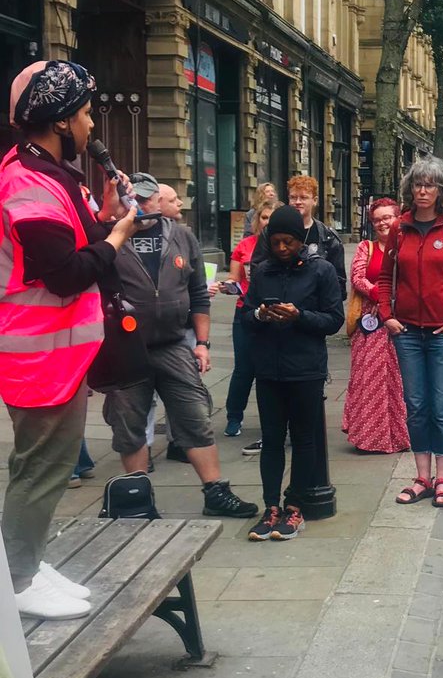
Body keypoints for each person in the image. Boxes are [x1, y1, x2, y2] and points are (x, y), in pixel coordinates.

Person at [1, 60, 137, 619]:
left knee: (45, 466)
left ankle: (26, 561)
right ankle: (18, 580)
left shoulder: (50, 174)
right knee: (42, 468)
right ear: (60, 121)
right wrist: (120, 235)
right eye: (84, 113)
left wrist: (105, 215)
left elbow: (74, 243)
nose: (91, 125)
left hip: (59, 352)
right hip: (40, 356)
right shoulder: (27, 184)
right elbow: (65, 274)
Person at [103, 171, 258, 518]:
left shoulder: (181, 236)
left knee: (195, 415)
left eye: (146, 198)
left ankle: (216, 493)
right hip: (126, 349)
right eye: (133, 198)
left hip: (173, 344)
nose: (140, 204)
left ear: (158, 201)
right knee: (129, 424)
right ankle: (138, 498)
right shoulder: (110, 237)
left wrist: (201, 342)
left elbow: (198, 293)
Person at [241, 206, 345, 540]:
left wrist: (300, 316)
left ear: (301, 241)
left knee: (303, 439)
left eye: (289, 242)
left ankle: (295, 507)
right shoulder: (262, 272)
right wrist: (259, 315)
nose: (282, 248)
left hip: (305, 370)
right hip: (268, 370)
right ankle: (271, 506)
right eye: (276, 242)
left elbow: (334, 319)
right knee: (272, 440)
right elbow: (245, 315)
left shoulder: (321, 271)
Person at [381, 159, 443, 509]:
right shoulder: (400, 228)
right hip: (407, 332)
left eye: (430, 185)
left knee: (442, 407)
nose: (423, 191)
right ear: (410, 188)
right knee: (416, 405)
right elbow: (384, 277)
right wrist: (387, 315)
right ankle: (422, 477)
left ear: (440, 190)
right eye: (418, 184)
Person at [342, 198, 411, 454]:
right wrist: (380, 295)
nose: (382, 223)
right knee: (369, 379)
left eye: (387, 218)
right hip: (370, 321)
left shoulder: (407, 246)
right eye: (377, 220)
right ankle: (369, 437)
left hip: (402, 319)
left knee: (398, 379)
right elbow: (357, 277)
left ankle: (399, 436)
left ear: (398, 219)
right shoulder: (366, 247)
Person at [218, 199, 279, 444]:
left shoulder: (283, 246)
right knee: (244, 368)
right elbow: (234, 279)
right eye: (263, 217)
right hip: (246, 311)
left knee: (272, 369)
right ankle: (234, 416)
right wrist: (227, 286)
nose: (267, 222)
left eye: (272, 218)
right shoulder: (245, 246)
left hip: (275, 313)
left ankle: (275, 420)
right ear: (257, 220)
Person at [250, 175, 346, 300]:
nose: (298, 202)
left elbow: (338, 284)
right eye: (293, 197)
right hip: (277, 300)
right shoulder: (271, 231)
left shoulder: (328, 237)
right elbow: (257, 270)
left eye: (304, 197)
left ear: (315, 200)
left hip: (314, 304)